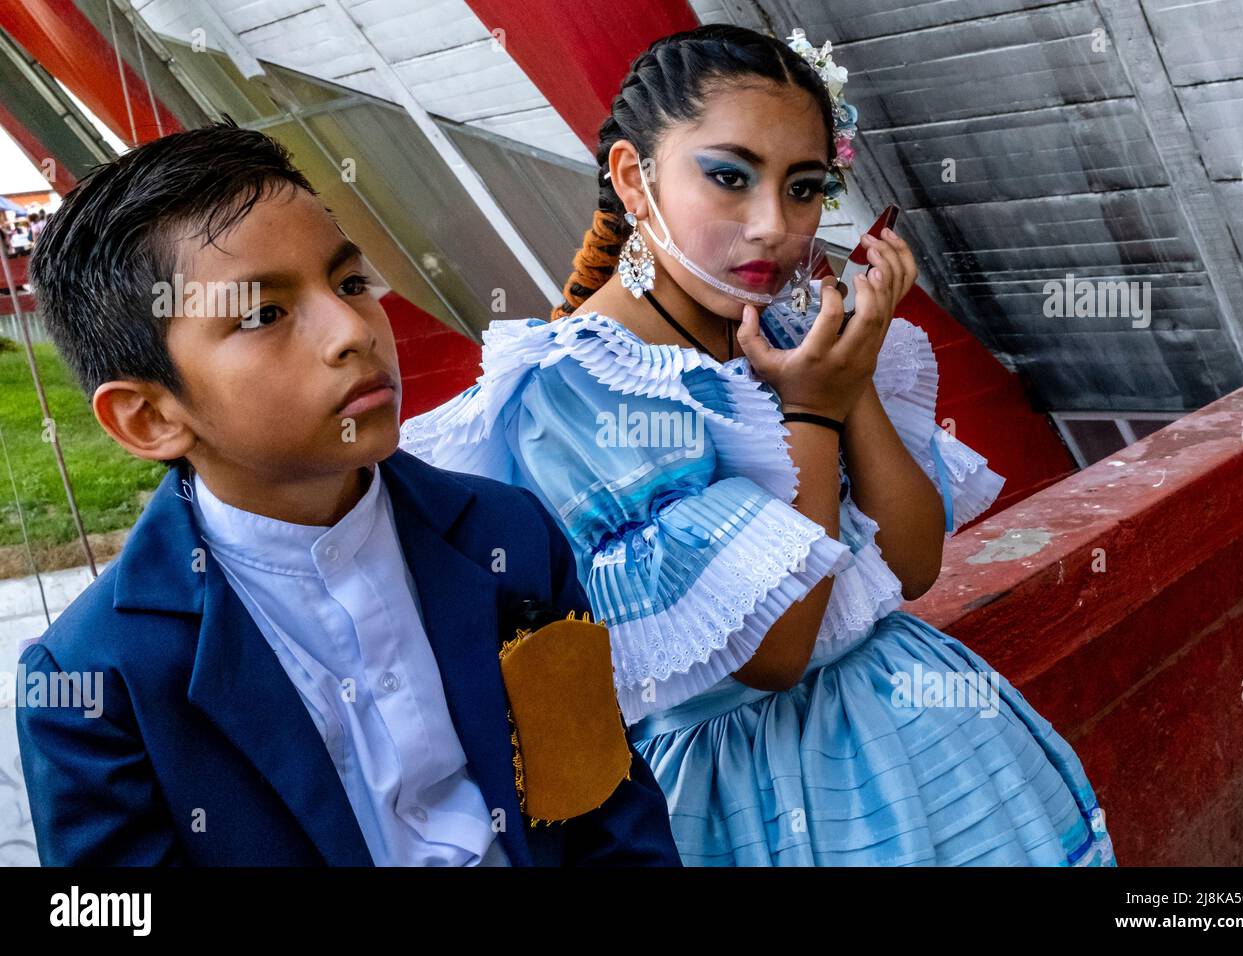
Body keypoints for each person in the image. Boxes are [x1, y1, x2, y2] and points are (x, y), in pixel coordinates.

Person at [401, 24, 1116, 866]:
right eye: (730, 178)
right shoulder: (574, 389)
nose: (774, 226)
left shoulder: (787, 326)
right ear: (635, 179)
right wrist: (811, 411)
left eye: (805, 187)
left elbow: (915, 562)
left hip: (935, 747)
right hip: (757, 795)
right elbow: (775, 651)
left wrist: (847, 380)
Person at [16, 118, 680, 867]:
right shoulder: (98, 679)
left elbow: (606, 808)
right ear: (149, 416)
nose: (353, 330)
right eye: (264, 314)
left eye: (352, 282)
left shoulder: (507, 535)